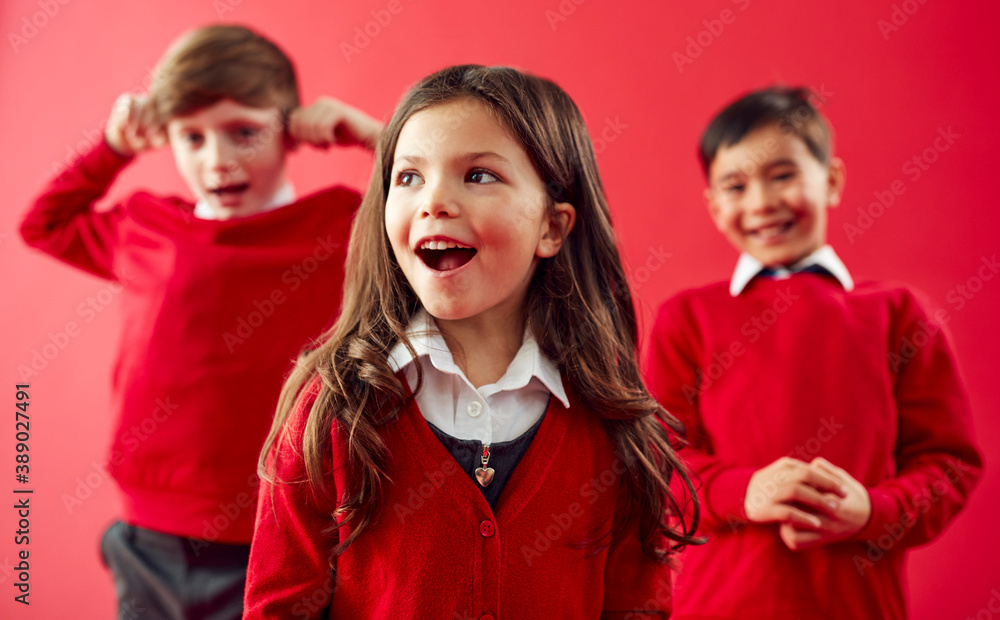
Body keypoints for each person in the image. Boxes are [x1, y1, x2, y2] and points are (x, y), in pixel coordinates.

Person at [243, 64, 700, 619]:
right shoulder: (334, 407)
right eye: (409, 177)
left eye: (479, 175)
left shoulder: (612, 426)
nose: (434, 202)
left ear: (551, 228)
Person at [19, 24, 381, 620]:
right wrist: (112, 148)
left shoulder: (342, 225)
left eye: (244, 131)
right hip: (147, 538)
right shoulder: (146, 226)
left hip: (281, 534)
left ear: (289, 129)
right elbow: (43, 224)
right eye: (192, 137)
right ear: (167, 139)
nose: (218, 160)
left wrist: (376, 137)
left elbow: (424, 218)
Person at [644, 87, 982, 619]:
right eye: (736, 185)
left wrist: (875, 509)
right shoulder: (685, 318)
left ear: (832, 180)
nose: (761, 203)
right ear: (713, 204)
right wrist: (744, 490)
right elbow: (656, 463)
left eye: (782, 175)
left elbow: (950, 464)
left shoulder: (899, 314)